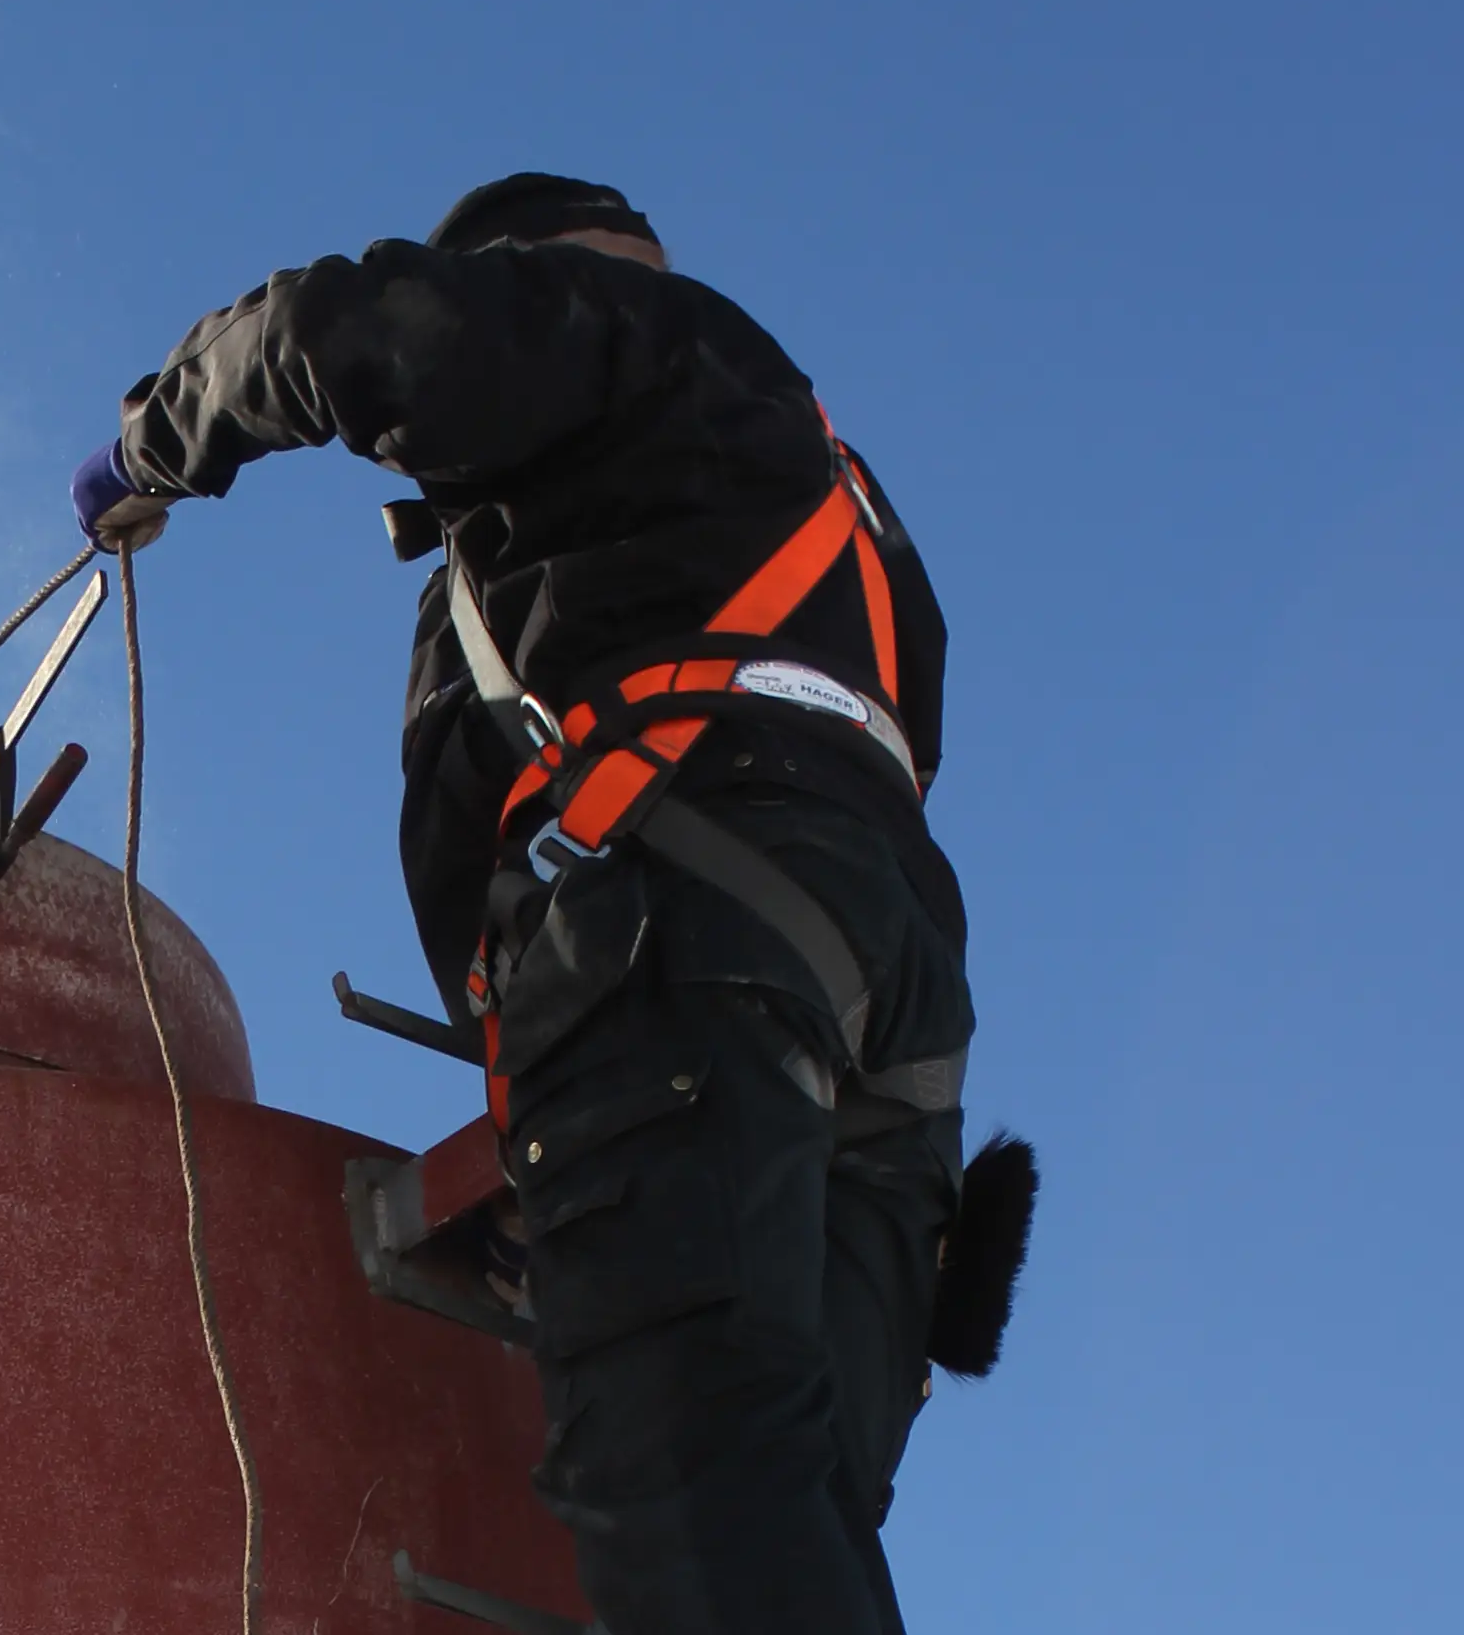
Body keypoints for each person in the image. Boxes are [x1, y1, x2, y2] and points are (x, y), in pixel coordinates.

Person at [71, 174, 976, 1634]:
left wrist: (148, 444)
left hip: (682, 932)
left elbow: (333, 330)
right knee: (788, 1505)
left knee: (687, 1481)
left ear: (513, 267)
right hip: (884, 1006)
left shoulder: (610, 330)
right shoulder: (823, 493)